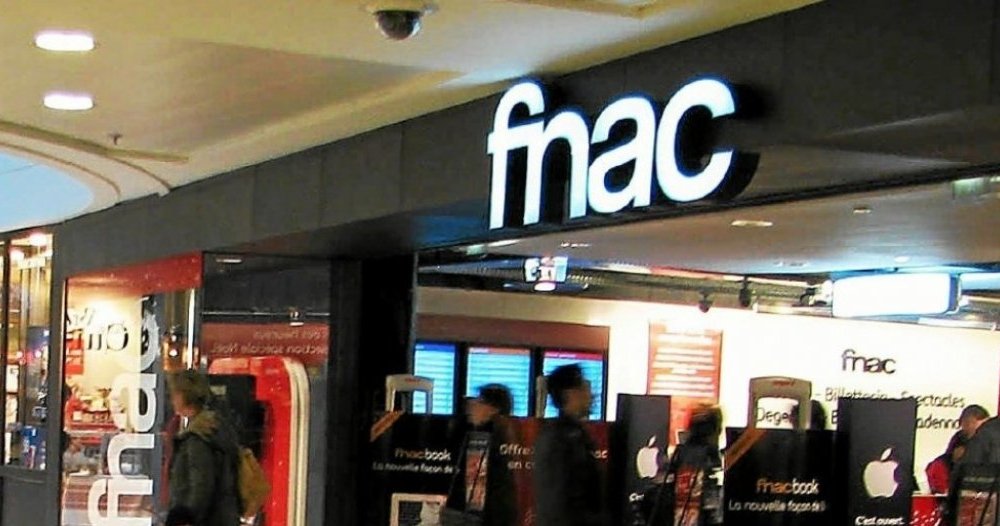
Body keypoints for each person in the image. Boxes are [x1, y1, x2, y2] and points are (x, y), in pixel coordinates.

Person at [167, 370, 241, 526]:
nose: (172, 400)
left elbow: (201, 487)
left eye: (174, 394)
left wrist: (185, 519)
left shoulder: (197, 437)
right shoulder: (217, 425)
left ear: (183, 395)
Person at [533, 365, 605, 526]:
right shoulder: (562, 439)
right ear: (570, 394)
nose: (592, 395)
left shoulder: (565, 433)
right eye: (585, 388)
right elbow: (560, 500)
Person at [445, 384, 517, 526]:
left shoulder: (490, 439)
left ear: (493, 410)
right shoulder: (470, 432)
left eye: (480, 401)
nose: (472, 405)